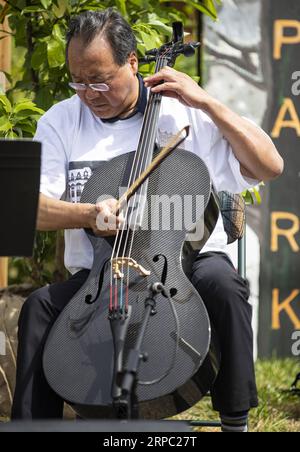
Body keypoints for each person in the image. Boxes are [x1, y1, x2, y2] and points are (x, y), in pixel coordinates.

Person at [11, 8, 283, 431]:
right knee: (39, 308)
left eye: (100, 80)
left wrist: (207, 101)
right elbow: (31, 207)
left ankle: (236, 421)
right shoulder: (62, 120)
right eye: (78, 81)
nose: (88, 93)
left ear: (132, 62)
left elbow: (270, 165)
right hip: (101, 276)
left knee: (225, 286)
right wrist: (87, 214)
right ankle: (34, 429)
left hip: (186, 263)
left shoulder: (186, 113)